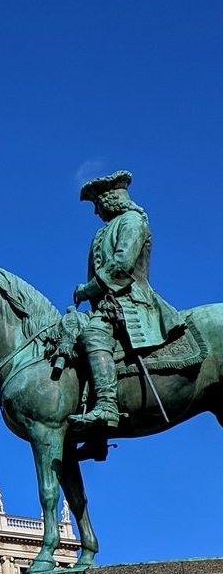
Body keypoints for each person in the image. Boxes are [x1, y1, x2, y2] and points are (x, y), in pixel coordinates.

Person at [70, 171, 179, 429]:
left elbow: (121, 266)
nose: (96, 212)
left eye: (97, 205)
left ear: (110, 200)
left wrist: (87, 290)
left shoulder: (132, 221)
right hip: (107, 304)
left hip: (130, 302)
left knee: (93, 335)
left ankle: (107, 405)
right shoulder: (104, 231)